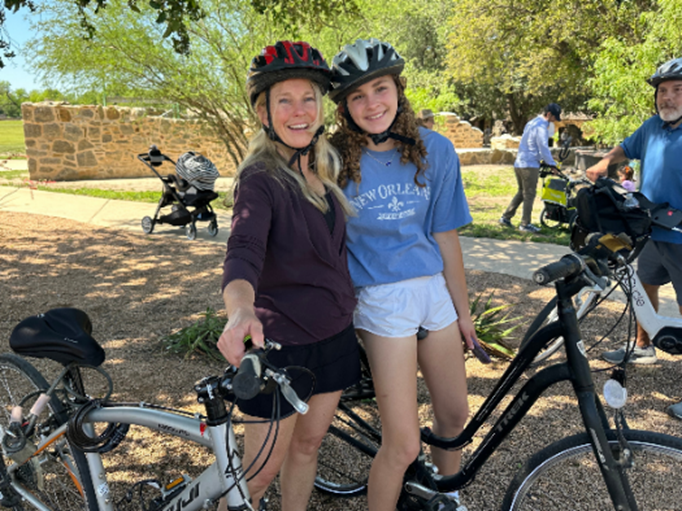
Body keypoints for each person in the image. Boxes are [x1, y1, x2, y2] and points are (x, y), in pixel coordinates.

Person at [328, 38, 477, 511]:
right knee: (403, 443)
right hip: (381, 300)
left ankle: (439, 497)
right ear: (345, 107)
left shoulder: (436, 150)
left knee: (455, 414)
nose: (372, 103)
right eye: (358, 96)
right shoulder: (331, 161)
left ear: (398, 88)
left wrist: (464, 313)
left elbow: (446, 238)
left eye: (380, 88)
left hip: (433, 292)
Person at [216, 41, 360, 511]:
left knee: (308, 447)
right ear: (264, 110)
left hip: (335, 337)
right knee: (255, 480)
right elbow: (243, 251)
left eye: (309, 99)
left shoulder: (324, 169)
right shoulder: (260, 178)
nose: (299, 112)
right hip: (282, 348)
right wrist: (239, 312)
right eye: (285, 100)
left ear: (321, 107)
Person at [586, 56, 682, 421]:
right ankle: (644, 345)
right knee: (644, 286)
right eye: (662, 91)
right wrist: (601, 165)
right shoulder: (653, 127)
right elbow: (624, 149)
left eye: (677, 91)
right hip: (653, 227)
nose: (667, 98)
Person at [499, 103, 562, 233]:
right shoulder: (541, 127)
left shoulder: (532, 123)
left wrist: (550, 158)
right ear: (549, 114)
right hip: (529, 165)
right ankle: (525, 224)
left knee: (522, 192)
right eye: (555, 117)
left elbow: (531, 146)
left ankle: (505, 217)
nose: (555, 120)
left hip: (520, 162)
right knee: (529, 194)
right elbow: (543, 147)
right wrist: (552, 164)